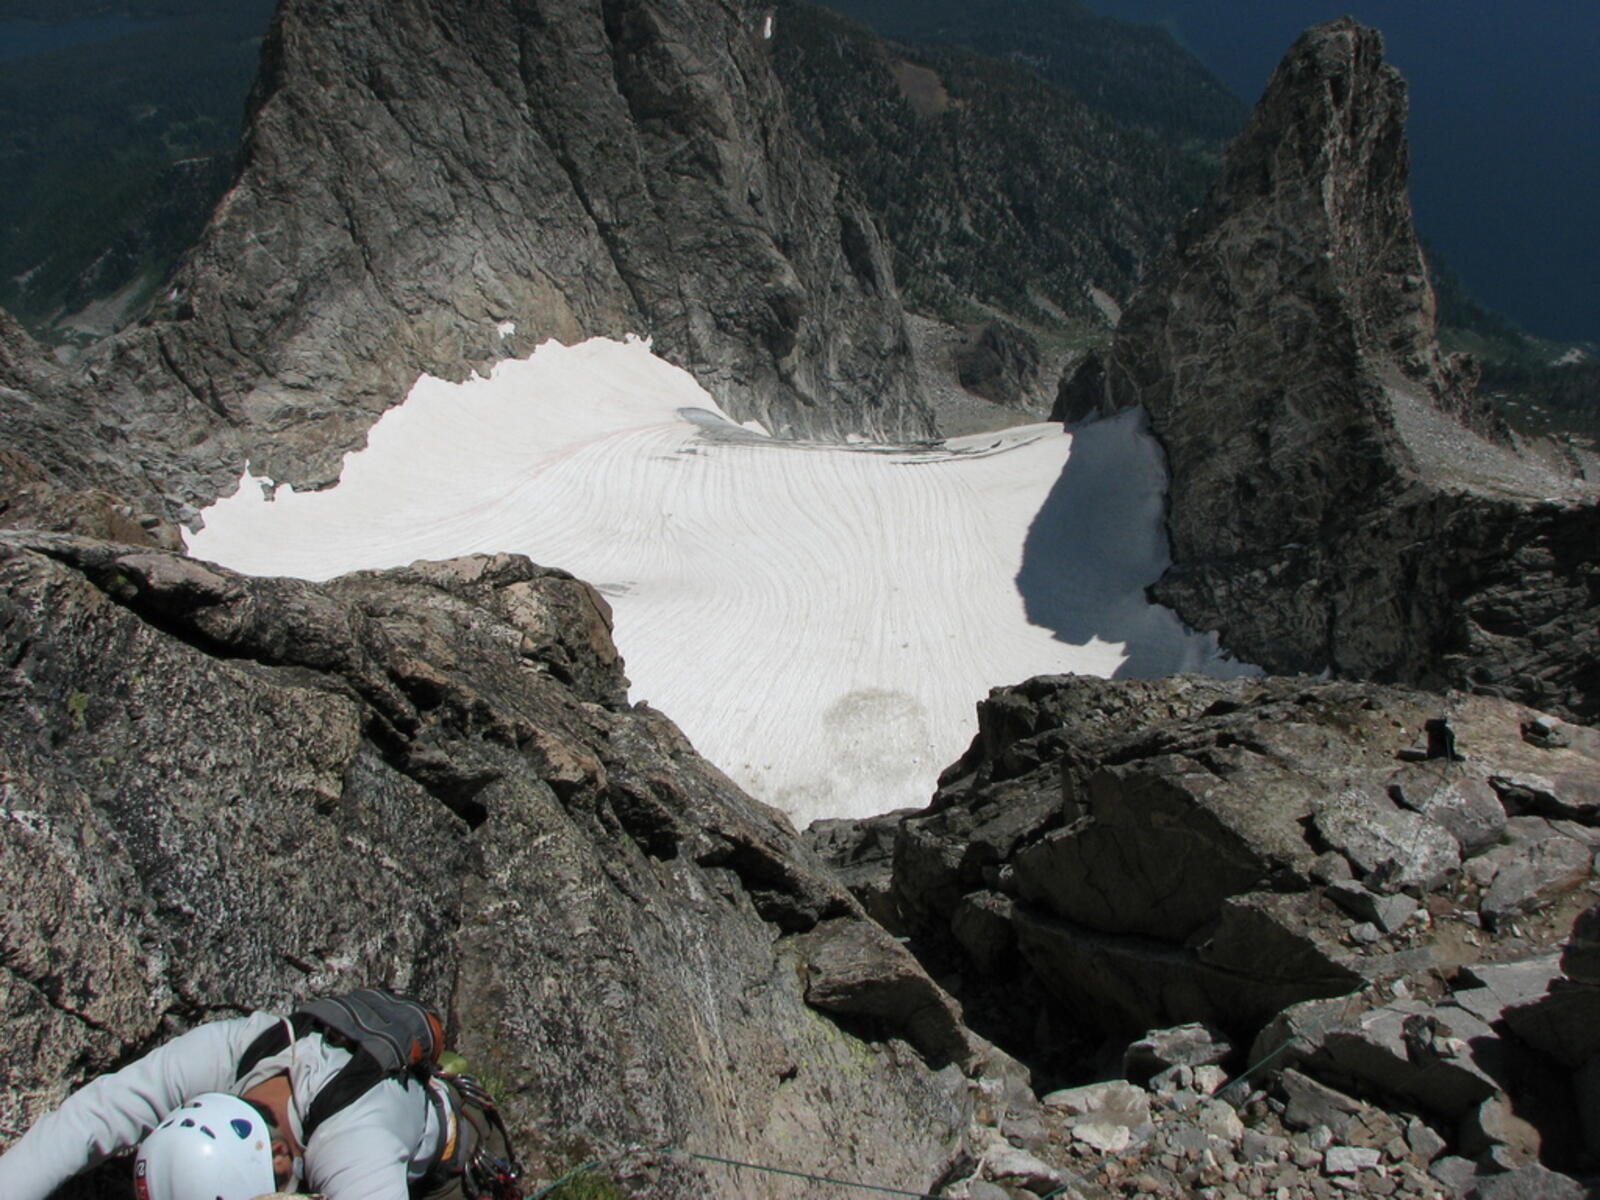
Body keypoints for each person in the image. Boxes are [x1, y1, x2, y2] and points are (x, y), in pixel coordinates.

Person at [0, 989, 520, 1200]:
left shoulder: (354, 1143)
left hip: (448, 1170)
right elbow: (85, 1121)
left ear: (277, 1157)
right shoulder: (228, 1050)